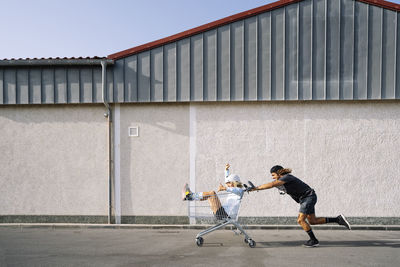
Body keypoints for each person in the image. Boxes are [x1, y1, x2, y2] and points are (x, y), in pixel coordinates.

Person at [252, 165, 351, 247]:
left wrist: (256, 188)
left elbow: (271, 184)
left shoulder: (287, 177)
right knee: (313, 221)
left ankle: (314, 240)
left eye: (273, 175)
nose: (273, 177)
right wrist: (251, 188)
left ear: (279, 173)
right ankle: (338, 219)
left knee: (300, 220)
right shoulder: (282, 180)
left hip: (308, 197)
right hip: (307, 198)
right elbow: (272, 185)